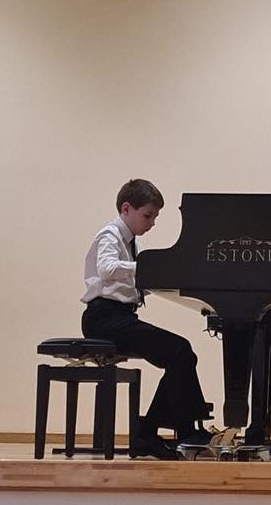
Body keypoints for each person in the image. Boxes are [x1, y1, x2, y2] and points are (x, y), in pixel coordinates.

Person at [81, 178, 211, 459]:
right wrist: (147, 266)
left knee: (181, 353)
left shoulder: (131, 243)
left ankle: (161, 431)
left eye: (154, 217)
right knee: (179, 351)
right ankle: (172, 431)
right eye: (148, 216)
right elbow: (106, 269)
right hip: (104, 319)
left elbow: (134, 280)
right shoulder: (110, 235)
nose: (151, 223)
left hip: (117, 317)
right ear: (126, 208)